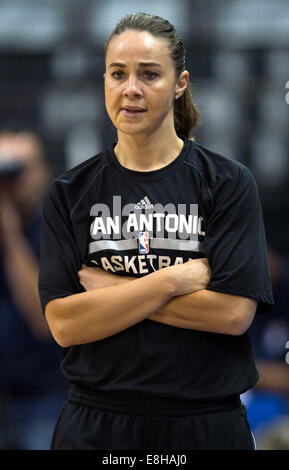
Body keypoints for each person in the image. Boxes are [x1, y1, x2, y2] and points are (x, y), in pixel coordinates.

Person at [38, 12, 274, 450]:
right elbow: (65, 326)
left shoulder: (227, 182)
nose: (131, 89)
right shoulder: (70, 192)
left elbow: (232, 315)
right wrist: (171, 281)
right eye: (118, 74)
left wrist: (111, 291)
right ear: (104, 80)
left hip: (205, 421)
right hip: (97, 424)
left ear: (180, 82)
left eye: (149, 74)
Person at [0, 127, 68, 449]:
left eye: (17, 170)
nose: (10, 182)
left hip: (45, 395)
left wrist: (10, 234)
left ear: (42, 171)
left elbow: (45, 319)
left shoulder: (59, 229)